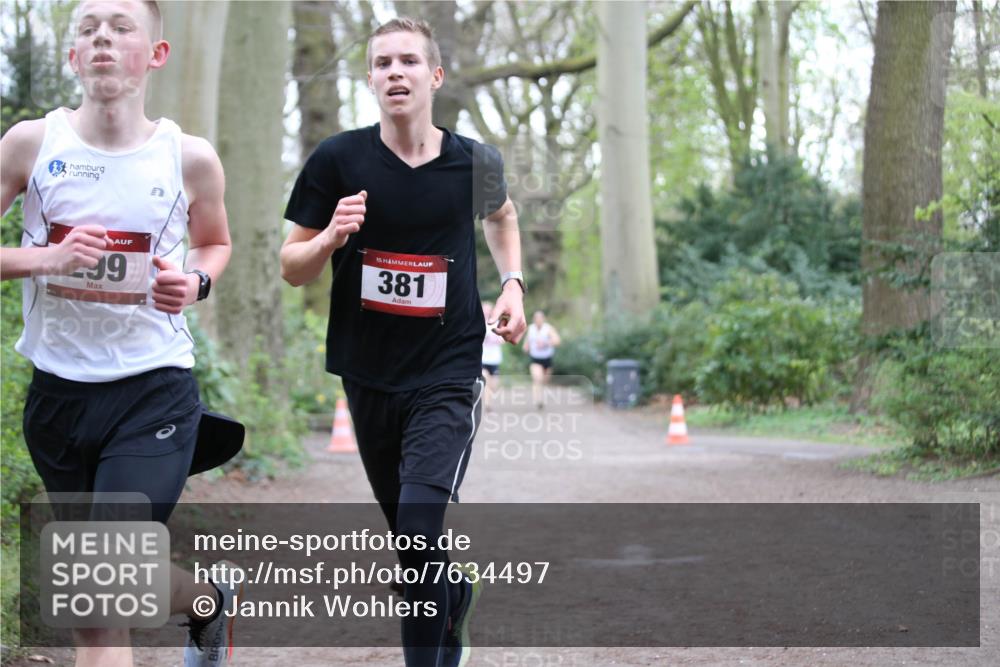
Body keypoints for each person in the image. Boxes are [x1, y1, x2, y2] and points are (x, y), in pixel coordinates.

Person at [280, 16, 526, 667]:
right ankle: (452, 595)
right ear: (370, 78)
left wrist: (514, 284)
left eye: (408, 62)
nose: (395, 72)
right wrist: (331, 237)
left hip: (448, 369)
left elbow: (502, 216)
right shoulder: (338, 159)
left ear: (434, 76)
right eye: (383, 62)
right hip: (367, 372)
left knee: (418, 530)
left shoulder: (474, 161)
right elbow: (290, 264)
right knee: (412, 542)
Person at [0, 2, 240, 666]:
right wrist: (43, 257)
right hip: (57, 399)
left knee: (99, 589)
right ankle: (206, 602)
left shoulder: (189, 158)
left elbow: (215, 243)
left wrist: (196, 283)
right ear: (72, 55)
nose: (103, 35)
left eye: (122, 24)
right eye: (88, 26)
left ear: (156, 55)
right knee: (96, 594)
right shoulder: (30, 144)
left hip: (153, 394)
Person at [524, 310, 561, 409]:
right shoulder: (531, 328)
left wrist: (545, 343)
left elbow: (557, 341)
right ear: (534, 319)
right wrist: (526, 347)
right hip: (535, 359)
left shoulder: (548, 329)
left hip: (547, 359)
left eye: (540, 318)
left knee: (544, 381)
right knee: (537, 378)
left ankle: (541, 396)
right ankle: (538, 400)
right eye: (536, 318)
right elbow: (527, 342)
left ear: (543, 319)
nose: (538, 320)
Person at [481, 300, 504, 410]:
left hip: (495, 359)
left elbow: (503, 339)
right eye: (484, 310)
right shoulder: (478, 324)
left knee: (494, 386)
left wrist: (496, 339)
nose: (486, 312)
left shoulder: (497, 323)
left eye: (488, 310)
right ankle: (487, 404)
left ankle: (490, 398)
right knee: (486, 380)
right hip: (483, 358)